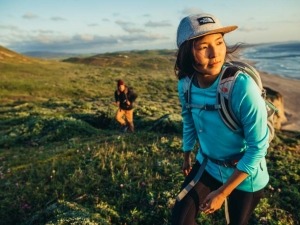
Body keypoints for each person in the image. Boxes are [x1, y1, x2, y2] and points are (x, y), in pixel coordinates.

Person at [171, 13, 270, 225]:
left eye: (219, 42)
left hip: (245, 176)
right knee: (180, 219)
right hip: (207, 164)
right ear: (187, 54)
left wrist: (222, 192)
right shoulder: (185, 85)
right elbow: (188, 120)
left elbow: (258, 147)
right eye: (203, 46)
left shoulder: (241, 87)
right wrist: (187, 154)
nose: (215, 53)